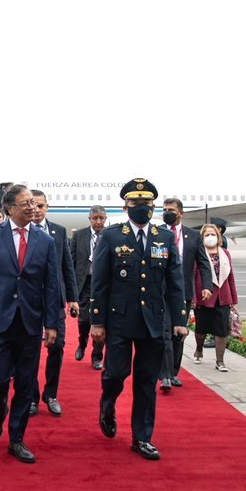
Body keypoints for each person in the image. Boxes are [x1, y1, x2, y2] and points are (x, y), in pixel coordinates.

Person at [90, 178, 184, 461]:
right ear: (125, 206)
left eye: (146, 204)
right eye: (135, 203)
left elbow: (175, 281)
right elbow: (101, 282)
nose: (141, 208)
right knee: (116, 374)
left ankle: (142, 437)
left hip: (153, 322)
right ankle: (107, 405)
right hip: (119, 320)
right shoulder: (112, 235)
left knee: (146, 382)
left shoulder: (164, 237)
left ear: (153, 206)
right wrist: (97, 321)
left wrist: (180, 318)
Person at [0, 184, 59, 464]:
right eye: (25, 203)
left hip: (30, 321)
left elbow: (51, 285)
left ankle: (16, 439)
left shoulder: (45, 241)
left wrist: (52, 324)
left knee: (25, 381)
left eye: (33, 202)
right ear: (9, 209)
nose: (32, 207)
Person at [30, 190, 78, 417]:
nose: (37, 210)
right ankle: (30, 396)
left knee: (56, 347)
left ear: (47, 207)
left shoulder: (59, 232)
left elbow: (67, 266)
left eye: (41, 206)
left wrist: (73, 298)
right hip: (29, 300)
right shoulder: (22, 232)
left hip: (54, 300)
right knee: (29, 350)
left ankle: (50, 395)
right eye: (33, 205)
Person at [158, 198, 211, 390]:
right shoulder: (159, 233)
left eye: (170, 210)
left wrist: (206, 286)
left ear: (181, 213)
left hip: (184, 293)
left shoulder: (193, 236)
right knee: (164, 332)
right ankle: (164, 375)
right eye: (164, 210)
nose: (167, 213)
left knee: (178, 334)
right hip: (162, 291)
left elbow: (203, 262)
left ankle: (173, 373)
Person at [190, 223, 237, 372]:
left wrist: (233, 299)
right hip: (204, 297)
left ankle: (220, 361)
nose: (210, 237)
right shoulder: (199, 253)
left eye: (213, 234)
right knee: (201, 328)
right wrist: (194, 298)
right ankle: (198, 350)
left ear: (218, 237)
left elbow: (230, 277)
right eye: (207, 235)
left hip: (222, 297)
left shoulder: (225, 254)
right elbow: (194, 276)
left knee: (222, 330)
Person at [69, 205, 108, 368]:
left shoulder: (110, 235)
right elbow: (71, 262)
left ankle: (97, 356)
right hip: (84, 283)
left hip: (104, 285)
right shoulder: (79, 235)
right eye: (95, 218)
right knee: (84, 320)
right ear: (90, 219)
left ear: (105, 219)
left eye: (101, 218)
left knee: (101, 321)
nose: (98, 222)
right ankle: (82, 342)